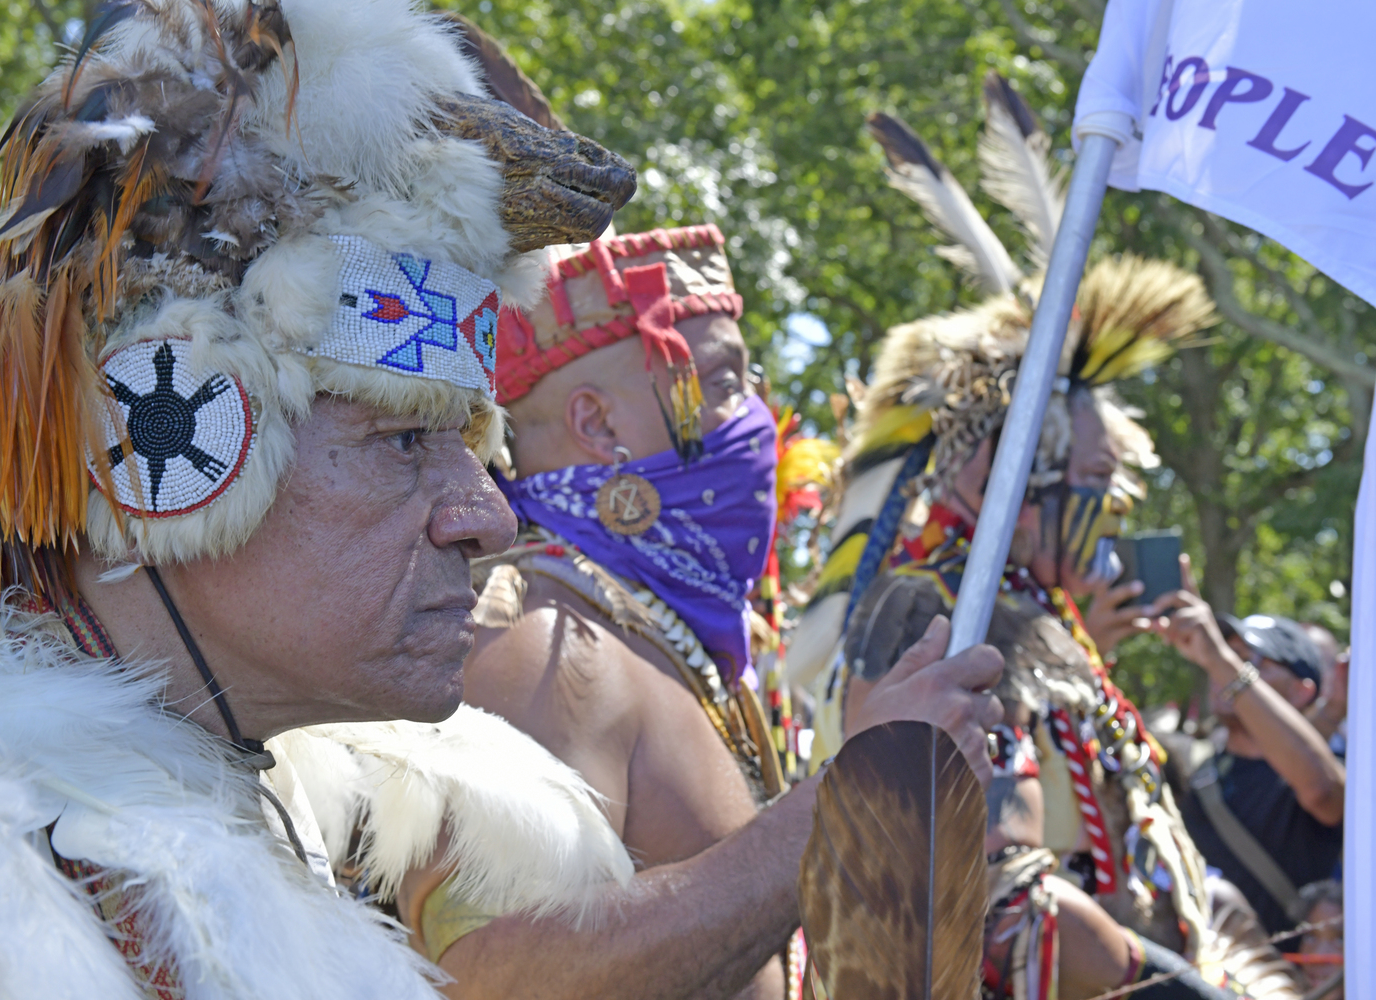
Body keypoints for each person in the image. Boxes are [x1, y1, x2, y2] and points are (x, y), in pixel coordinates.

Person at [0, 0, 652, 993]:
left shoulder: (209, 782)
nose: (488, 514)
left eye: (469, 444)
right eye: (404, 437)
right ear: (170, 446)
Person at [785, 73, 1300, 1000]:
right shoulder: (942, 615)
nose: (1111, 512)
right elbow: (1004, 907)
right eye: (1095, 485)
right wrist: (1176, 983)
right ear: (1016, 481)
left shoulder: (1016, 610)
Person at [393, 223, 1007, 1000]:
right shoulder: (540, 642)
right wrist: (855, 793)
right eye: (723, 382)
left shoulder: (678, 642)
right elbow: (490, 980)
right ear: (600, 425)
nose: (758, 418)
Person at [1152, 599, 1346, 941]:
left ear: (1303, 691)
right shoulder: (1193, 768)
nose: (1225, 668)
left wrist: (1221, 661)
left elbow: (1323, 790)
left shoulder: (1313, 774)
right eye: (1229, 654)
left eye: (1253, 662)